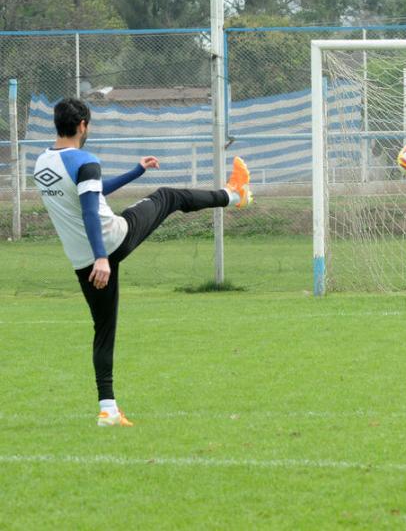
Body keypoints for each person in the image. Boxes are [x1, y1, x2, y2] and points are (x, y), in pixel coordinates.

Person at [33, 97, 253, 427]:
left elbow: (91, 192)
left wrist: (136, 171)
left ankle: (107, 409)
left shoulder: (42, 163)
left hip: (83, 261)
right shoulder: (85, 159)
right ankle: (234, 194)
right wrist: (103, 258)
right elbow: (91, 210)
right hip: (110, 243)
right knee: (168, 196)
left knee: (103, 330)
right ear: (83, 126)